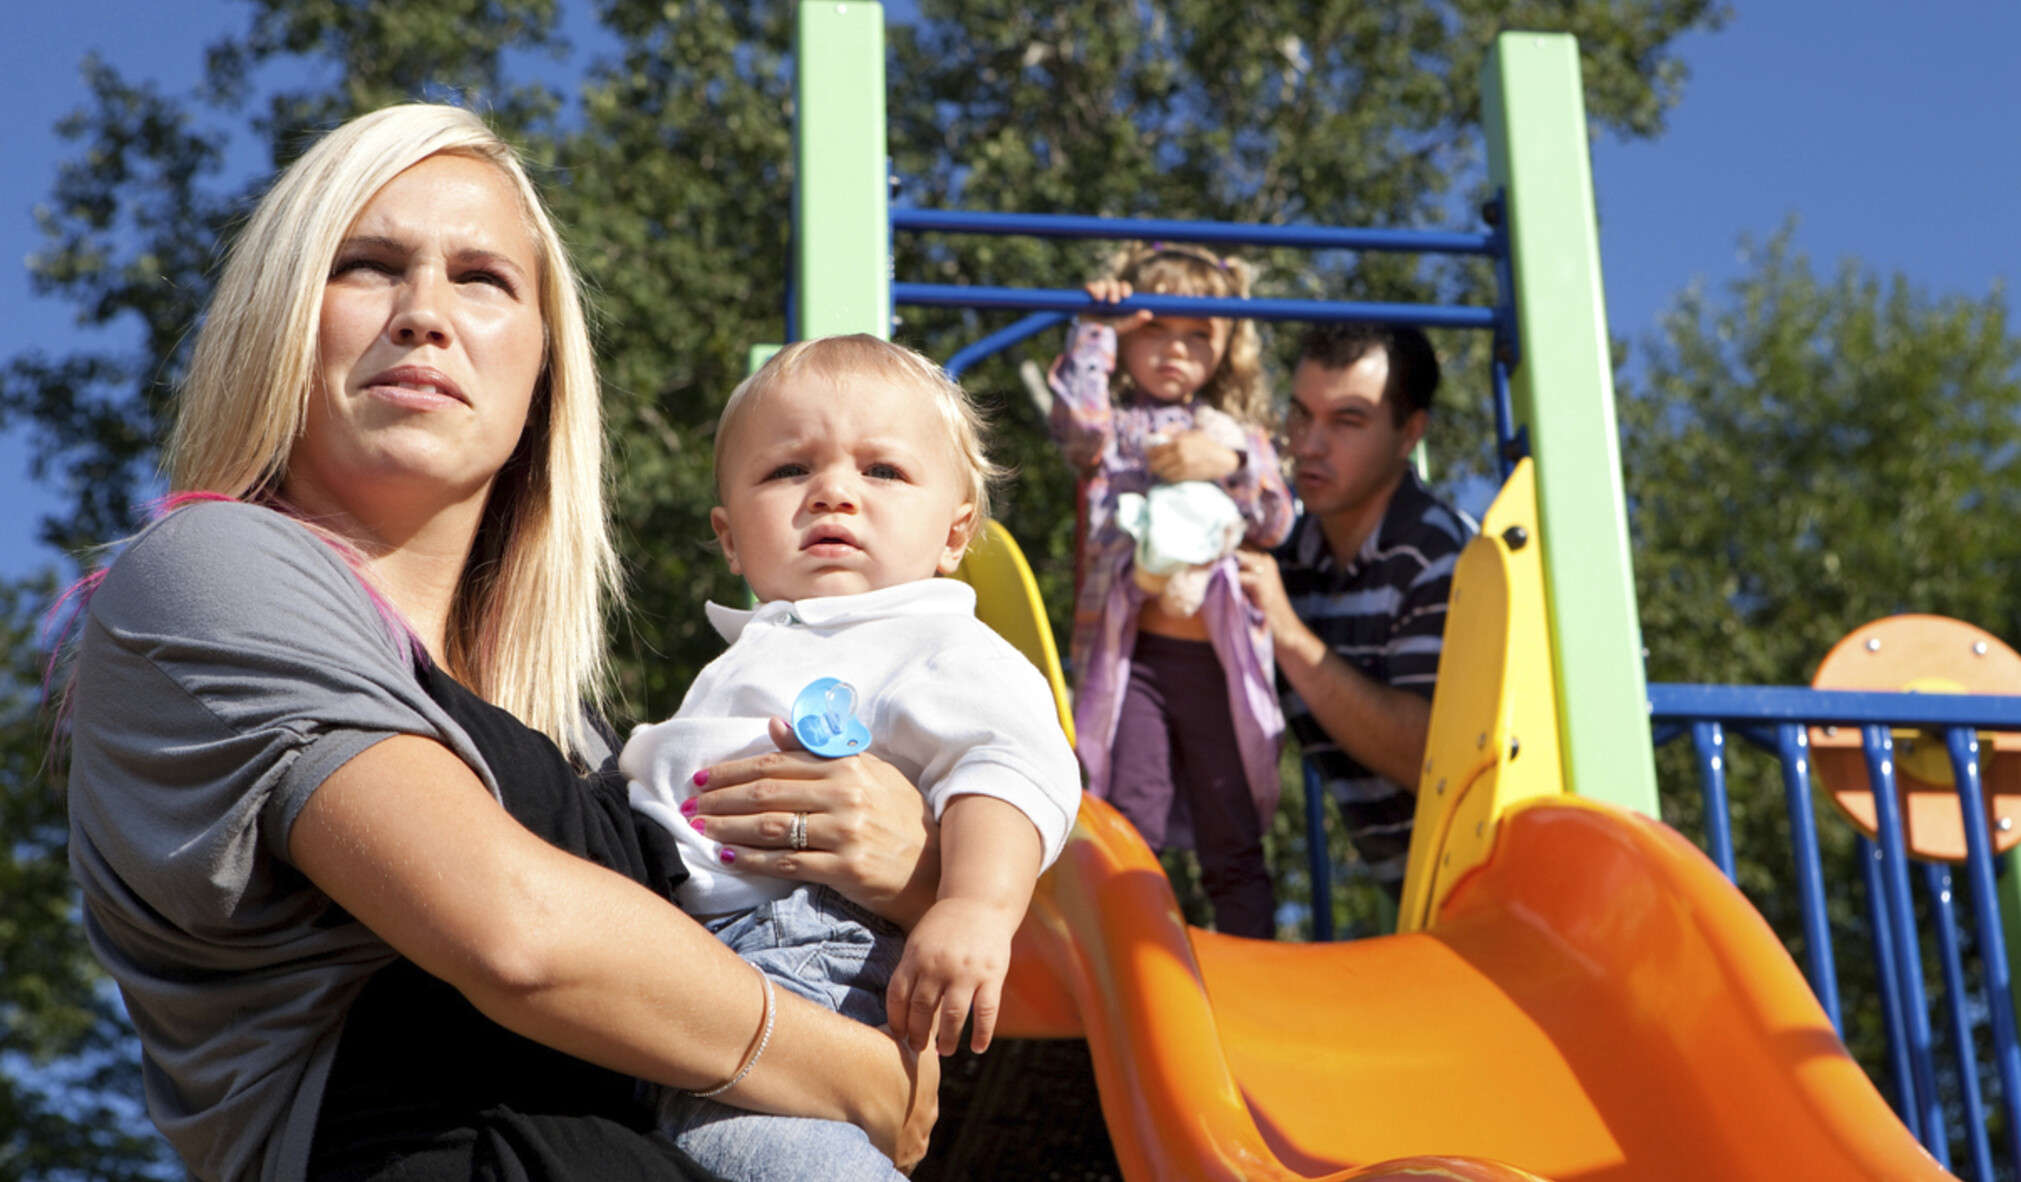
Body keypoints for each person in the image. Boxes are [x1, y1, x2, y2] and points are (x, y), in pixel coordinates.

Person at [61, 104, 938, 1182]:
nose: (423, 314)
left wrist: (913, 863)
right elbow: (516, 931)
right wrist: (853, 1075)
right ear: (281, 318)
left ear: (543, 372)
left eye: (481, 279)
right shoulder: (207, 570)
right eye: (368, 265)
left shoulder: (575, 737)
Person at [621, 335, 1081, 1179]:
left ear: (955, 532)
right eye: (788, 471)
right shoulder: (745, 658)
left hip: (808, 959)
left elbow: (1011, 765)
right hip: (678, 970)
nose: (833, 491)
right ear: (729, 537)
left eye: (884, 472)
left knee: (777, 1156)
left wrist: (976, 905)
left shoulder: (937, 642)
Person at [1046, 242, 1295, 939]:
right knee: (1133, 814)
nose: (1175, 351)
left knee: (1232, 828)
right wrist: (1099, 328)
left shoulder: (1238, 436)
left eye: (1197, 336)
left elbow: (1276, 519)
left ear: (1225, 350)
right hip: (1139, 664)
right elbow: (1076, 426)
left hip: (1217, 666)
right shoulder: (1116, 433)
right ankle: (1134, 960)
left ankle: (1256, 967)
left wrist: (1231, 462)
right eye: (1156, 329)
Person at [1237, 322, 1472, 900]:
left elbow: (1431, 756)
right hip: (1419, 898)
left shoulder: (1439, 557)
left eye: (1347, 421)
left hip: (1496, 890)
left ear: (1409, 434)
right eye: (1300, 414)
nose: (1310, 444)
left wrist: (1287, 631)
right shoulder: (1290, 558)